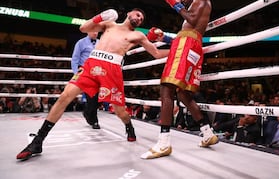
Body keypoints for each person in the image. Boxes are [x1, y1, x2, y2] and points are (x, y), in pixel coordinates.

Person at [16, 8, 169, 161]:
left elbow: (156, 53)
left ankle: (129, 126)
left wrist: (176, 49)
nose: (139, 18)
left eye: (141, 18)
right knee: (64, 96)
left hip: (112, 70)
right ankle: (38, 141)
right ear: (129, 13)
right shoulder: (109, 24)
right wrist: (99, 17)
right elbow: (83, 28)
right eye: (137, 15)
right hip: (91, 64)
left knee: (119, 110)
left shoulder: (138, 35)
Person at [141, 0, 218, 159]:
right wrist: (164, 37)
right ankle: (207, 133)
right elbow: (189, 29)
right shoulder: (195, 6)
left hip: (186, 46)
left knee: (166, 89)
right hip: (187, 45)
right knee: (183, 95)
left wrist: (176, 4)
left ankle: (164, 143)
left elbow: (191, 19)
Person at [71, 31, 101, 129]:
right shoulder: (81, 42)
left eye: (97, 31)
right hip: (85, 72)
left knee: (97, 98)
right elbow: (75, 58)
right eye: (94, 31)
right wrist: (76, 73)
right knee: (91, 96)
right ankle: (94, 121)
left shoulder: (101, 42)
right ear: (88, 31)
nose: (95, 33)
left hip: (98, 72)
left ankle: (88, 113)